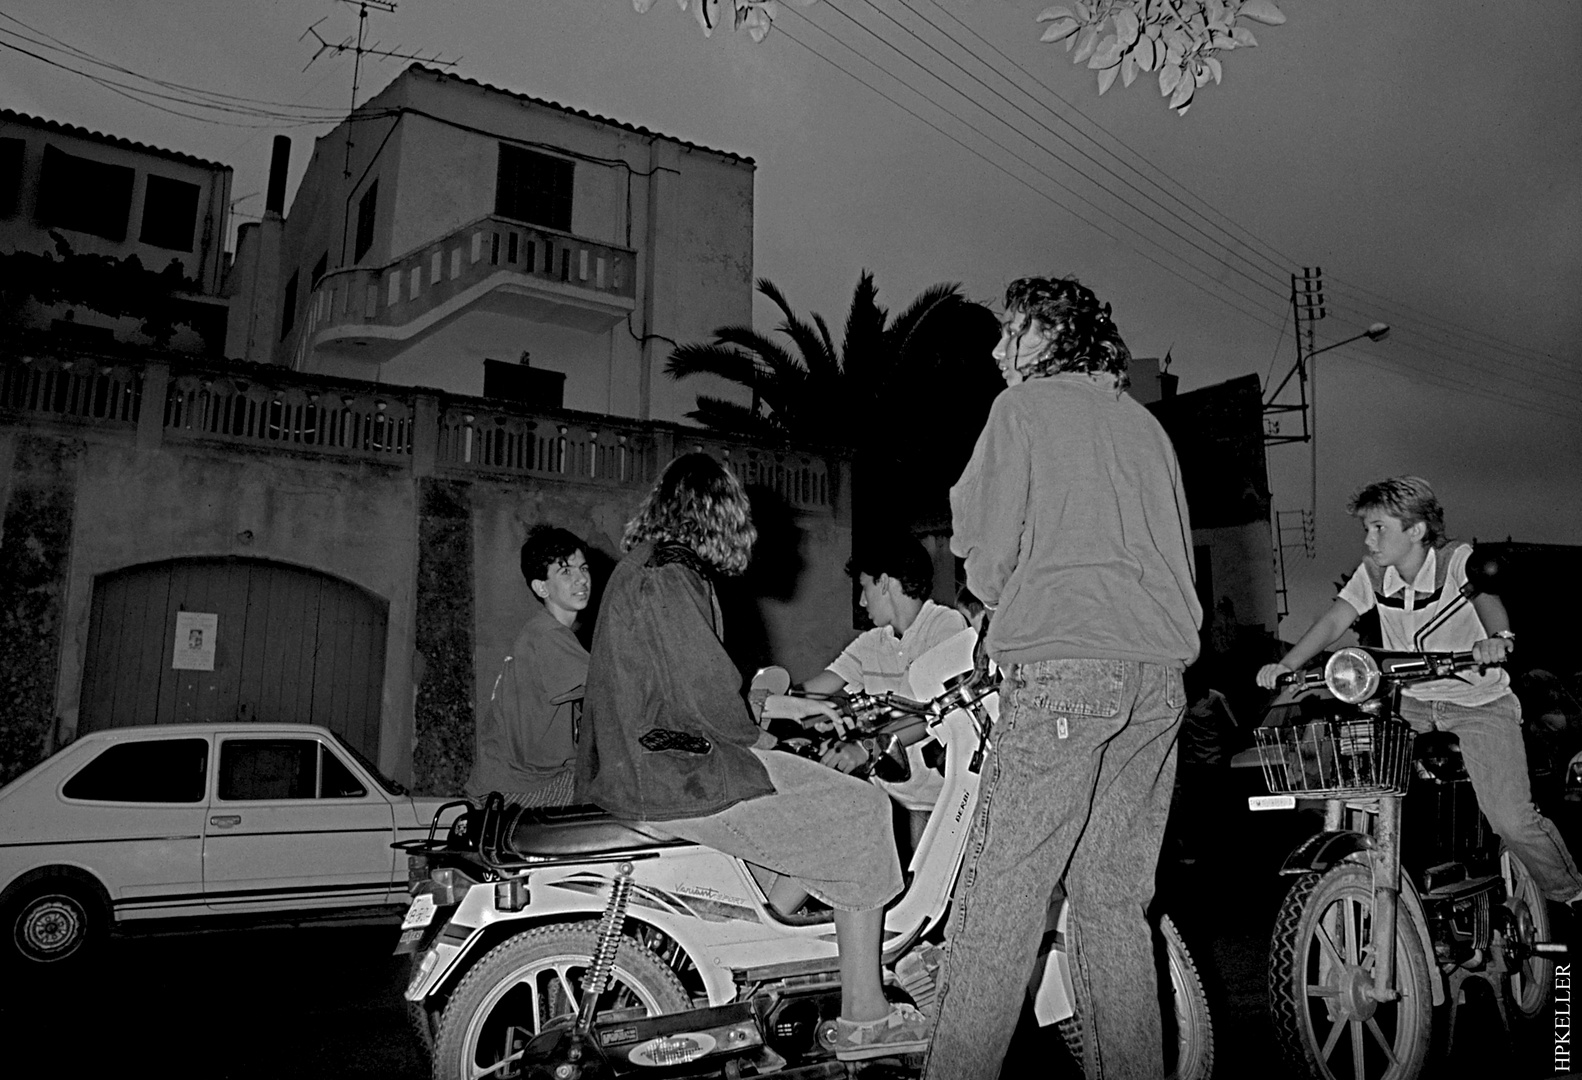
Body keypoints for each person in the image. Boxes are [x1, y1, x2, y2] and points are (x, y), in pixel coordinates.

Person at [927, 276, 1202, 1080]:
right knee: (1114, 904)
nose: (996, 347)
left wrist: (1003, 595)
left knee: (1003, 902)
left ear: (1049, 335)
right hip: (1155, 681)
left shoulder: (1022, 411)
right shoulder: (1146, 428)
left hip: (1065, 670)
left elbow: (983, 550)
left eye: (1010, 330)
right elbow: (1176, 559)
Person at [577, 453, 932, 1061]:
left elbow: (688, 684)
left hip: (653, 762)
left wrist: (786, 709)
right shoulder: (670, 577)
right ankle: (866, 1016)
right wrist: (765, 737)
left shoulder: (651, 567)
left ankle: (776, 949)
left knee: (815, 811)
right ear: (718, 516)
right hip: (676, 772)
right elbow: (707, 700)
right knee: (863, 808)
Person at [1256, 475, 1582, 903]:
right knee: (1358, 776)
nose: (1370, 540)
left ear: (1416, 530)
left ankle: (1570, 892)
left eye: (1380, 528)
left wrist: (1497, 639)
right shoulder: (1374, 572)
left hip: (1478, 702)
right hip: (1408, 703)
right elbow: (1336, 619)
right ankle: (1361, 879)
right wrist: (1287, 664)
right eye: (1366, 529)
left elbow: (1487, 599)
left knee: (1511, 819)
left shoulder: (1455, 561)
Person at [797, 534, 967, 842]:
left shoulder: (945, 626)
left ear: (885, 583)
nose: (862, 601)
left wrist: (866, 748)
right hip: (887, 801)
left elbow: (929, 714)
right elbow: (815, 691)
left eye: (865, 588)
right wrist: (770, 703)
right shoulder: (873, 642)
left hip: (935, 804)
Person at [466, 524, 592, 807]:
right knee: (619, 798)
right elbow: (613, 686)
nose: (581, 580)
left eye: (583, 569)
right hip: (519, 789)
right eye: (566, 572)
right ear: (541, 586)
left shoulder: (540, 632)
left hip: (506, 783)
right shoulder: (548, 636)